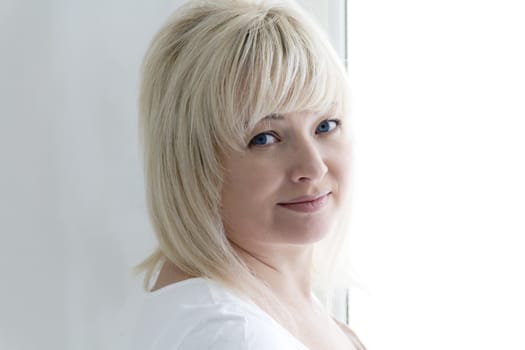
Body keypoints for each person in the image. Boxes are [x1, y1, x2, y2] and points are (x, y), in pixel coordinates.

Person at [132, 0, 366, 349]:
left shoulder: (270, 306)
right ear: (193, 161)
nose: (313, 167)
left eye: (325, 125)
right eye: (265, 138)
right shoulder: (231, 333)